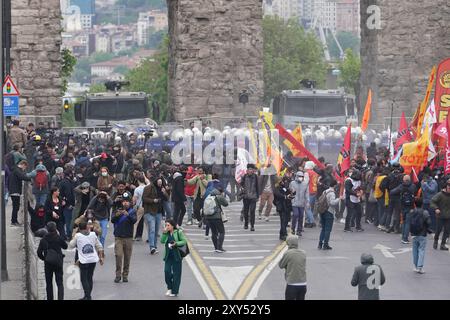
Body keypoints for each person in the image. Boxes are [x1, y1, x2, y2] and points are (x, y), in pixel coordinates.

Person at [69, 221, 104, 300]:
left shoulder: (78, 236)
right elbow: (99, 246)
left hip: (83, 260)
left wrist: (74, 235)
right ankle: (87, 296)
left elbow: (71, 245)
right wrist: (101, 257)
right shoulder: (93, 234)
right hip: (93, 259)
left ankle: (88, 296)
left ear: (79, 229)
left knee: (83, 278)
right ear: (86, 227)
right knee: (89, 277)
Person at [37, 221, 68, 300]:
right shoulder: (58, 237)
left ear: (47, 229)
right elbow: (65, 246)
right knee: (59, 282)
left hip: (48, 263)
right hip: (58, 262)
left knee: (49, 283)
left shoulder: (43, 239)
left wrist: (44, 258)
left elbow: (39, 252)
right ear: (55, 229)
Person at [111, 194, 137, 283]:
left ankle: (125, 275)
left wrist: (128, 215)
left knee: (127, 257)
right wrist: (118, 214)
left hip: (128, 237)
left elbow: (134, 220)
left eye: (127, 201)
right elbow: (112, 220)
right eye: (124, 201)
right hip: (119, 237)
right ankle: (118, 275)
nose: (125, 203)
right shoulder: (117, 210)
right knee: (118, 256)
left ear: (129, 203)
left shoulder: (132, 211)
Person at [161, 219, 188, 298]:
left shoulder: (178, 232)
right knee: (167, 272)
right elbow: (162, 241)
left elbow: (184, 241)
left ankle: (175, 291)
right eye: (166, 225)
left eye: (168, 225)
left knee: (177, 274)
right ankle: (169, 287)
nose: (167, 227)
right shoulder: (166, 233)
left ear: (172, 226)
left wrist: (176, 243)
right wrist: (164, 233)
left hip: (177, 255)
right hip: (168, 255)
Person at [278, 235, 307, 300]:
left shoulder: (288, 253)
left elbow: (281, 265)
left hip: (292, 283)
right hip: (303, 283)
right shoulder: (303, 253)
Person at [409, 198, 433, 274]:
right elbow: (429, 222)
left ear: (415, 204)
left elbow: (409, 222)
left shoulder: (412, 212)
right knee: (421, 250)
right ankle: (420, 267)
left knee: (415, 250)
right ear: (422, 204)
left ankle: (415, 266)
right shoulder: (425, 212)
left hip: (414, 234)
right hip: (422, 234)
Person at [390, 175, 416, 244]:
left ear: (404, 180)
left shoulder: (401, 186)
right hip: (410, 207)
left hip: (402, 206)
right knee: (408, 222)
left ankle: (403, 238)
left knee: (404, 222)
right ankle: (405, 238)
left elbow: (392, 192)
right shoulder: (413, 186)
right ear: (409, 179)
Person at [204, 186, 229, 253]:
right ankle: (219, 247)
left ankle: (216, 247)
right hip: (217, 217)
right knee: (221, 232)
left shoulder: (209, 196)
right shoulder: (219, 196)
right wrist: (222, 196)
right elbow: (226, 204)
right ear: (221, 192)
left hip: (208, 217)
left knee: (214, 232)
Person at [143, 178, 163, 255]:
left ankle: (154, 246)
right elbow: (144, 198)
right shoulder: (148, 187)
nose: (160, 185)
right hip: (150, 211)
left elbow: (166, 199)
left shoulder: (162, 188)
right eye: (159, 183)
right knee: (152, 229)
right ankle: (152, 247)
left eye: (161, 183)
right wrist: (153, 200)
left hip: (159, 212)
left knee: (156, 231)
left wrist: (165, 192)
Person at [318, 180, 341, 250]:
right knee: (328, 229)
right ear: (334, 186)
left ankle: (320, 244)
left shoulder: (325, 191)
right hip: (329, 212)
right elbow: (332, 203)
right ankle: (325, 244)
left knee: (323, 228)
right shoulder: (332, 193)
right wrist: (339, 199)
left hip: (322, 211)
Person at [9, 160, 31, 226]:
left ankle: (14, 221)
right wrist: (30, 179)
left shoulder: (15, 170)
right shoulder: (17, 170)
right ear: (23, 165)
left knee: (16, 207)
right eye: (25, 167)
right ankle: (14, 221)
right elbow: (22, 177)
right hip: (15, 191)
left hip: (14, 190)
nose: (24, 169)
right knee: (16, 207)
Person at [430, 180, 450, 251]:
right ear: (446, 186)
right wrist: (436, 208)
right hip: (440, 216)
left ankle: (443, 244)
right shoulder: (440, 194)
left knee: (447, 231)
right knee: (438, 230)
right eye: (449, 186)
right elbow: (432, 201)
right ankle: (436, 241)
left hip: (448, 217)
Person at [240, 164, 260, 231]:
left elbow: (257, 187)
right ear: (247, 170)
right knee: (246, 211)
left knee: (252, 212)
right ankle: (246, 224)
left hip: (253, 197)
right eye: (249, 169)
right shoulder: (244, 176)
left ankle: (252, 226)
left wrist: (258, 196)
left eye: (251, 169)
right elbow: (241, 185)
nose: (250, 171)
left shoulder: (256, 177)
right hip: (246, 197)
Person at [289, 171, 309, 236]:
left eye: (302, 177)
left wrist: (307, 202)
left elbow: (306, 194)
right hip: (294, 202)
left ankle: (299, 230)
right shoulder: (292, 183)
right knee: (295, 214)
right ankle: (293, 228)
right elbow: (289, 191)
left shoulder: (305, 184)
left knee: (301, 216)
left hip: (302, 203)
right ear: (296, 176)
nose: (301, 178)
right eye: (299, 176)